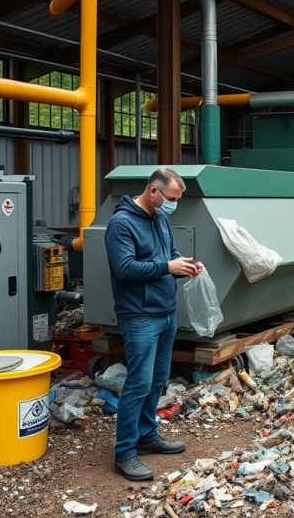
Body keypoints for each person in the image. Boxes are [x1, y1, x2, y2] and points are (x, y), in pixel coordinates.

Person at [105, 168, 204, 481]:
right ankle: (124, 454)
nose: (174, 205)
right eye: (172, 198)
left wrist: (184, 267)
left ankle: (147, 436)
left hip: (165, 312)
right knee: (138, 382)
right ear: (153, 192)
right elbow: (124, 268)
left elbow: (169, 256)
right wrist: (166, 266)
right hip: (139, 316)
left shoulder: (160, 219)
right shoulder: (121, 224)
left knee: (158, 378)